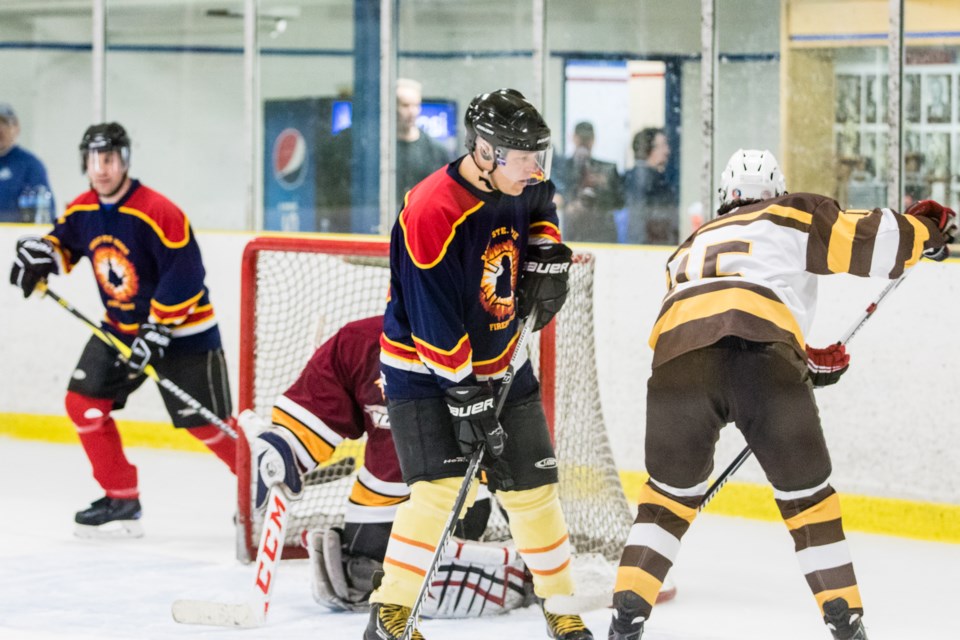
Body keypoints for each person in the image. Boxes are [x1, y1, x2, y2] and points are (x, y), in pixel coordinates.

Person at [607, 148, 956, 640]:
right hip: (764, 364)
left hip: (677, 368)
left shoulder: (688, 245)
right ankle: (845, 618)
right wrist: (929, 232)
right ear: (777, 189)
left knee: (665, 502)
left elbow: (720, 313)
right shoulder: (792, 212)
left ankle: (625, 617)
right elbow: (870, 242)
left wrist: (805, 359)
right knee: (808, 501)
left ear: (726, 197)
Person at [368, 88, 591, 640]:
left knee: (534, 491)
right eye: (525, 157)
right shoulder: (431, 209)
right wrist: (466, 395)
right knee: (439, 493)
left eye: (541, 155)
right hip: (423, 370)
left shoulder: (524, 181)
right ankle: (391, 616)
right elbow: (431, 317)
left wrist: (546, 249)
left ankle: (561, 610)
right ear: (487, 153)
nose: (537, 168)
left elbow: (543, 207)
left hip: (502, 361)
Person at [8, 122, 237, 537]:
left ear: (125, 160)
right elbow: (64, 243)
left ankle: (262, 492)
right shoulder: (83, 209)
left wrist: (158, 330)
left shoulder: (157, 210)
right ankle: (121, 497)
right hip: (120, 331)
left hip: (185, 334)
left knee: (209, 423)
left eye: (109, 158)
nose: (102, 168)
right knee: (84, 404)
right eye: (94, 159)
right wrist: (40, 255)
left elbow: (186, 275)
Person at [249, 315, 534, 618]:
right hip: (380, 497)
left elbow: (514, 446)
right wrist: (285, 446)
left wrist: (531, 534)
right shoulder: (357, 341)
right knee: (357, 569)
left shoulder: (484, 345)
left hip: (454, 496)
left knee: (391, 571)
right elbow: (312, 414)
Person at [556, 121, 624, 243]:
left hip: (602, 233)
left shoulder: (608, 170)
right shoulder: (561, 169)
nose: (584, 142)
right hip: (573, 232)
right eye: (581, 138)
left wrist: (603, 184)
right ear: (573, 138)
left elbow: (619, 202)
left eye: (587, 138)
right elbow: (555, 198)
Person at [395, 78, 453, 204]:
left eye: (416, 105)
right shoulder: (380, 150)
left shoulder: (438, 152)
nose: (412, 112)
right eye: (405, 105)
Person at [0, 103, 56, 223]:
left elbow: (45, 212)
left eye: (4, 123)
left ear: (16, 128)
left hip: (15, 236)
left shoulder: (30, 165)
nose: (0, 129)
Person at [623, 128, 677, 244]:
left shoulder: (651, 178)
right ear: (648, 149)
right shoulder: (646, 180)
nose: (667, 151)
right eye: (663, 146)